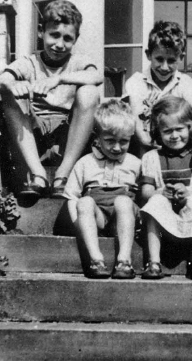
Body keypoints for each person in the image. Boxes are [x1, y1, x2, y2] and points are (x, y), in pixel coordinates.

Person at [0, 0, 103, 198]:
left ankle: (62, 175)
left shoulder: (79, 62)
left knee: (89, 92)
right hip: (32, 137)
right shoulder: (29, 63)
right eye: (54, 35)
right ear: (41, 32)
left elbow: (97, 77)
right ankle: (37, 174)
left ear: (76, 39)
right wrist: (11, 85)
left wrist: (59, 78)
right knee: (10, 92)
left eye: (67, 38)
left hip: (67, 139)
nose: (59, 44)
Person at [62, 99, 141, 279]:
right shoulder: (85, 163)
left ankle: (124, 260)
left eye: (124, 141)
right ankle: (96, 259)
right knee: (84, 201)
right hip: (98, 218)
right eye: (110, 141)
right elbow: (71, 196)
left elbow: (144, 197)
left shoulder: (135, 163)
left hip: (123, 218)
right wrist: (79, 222)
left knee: (123, 201)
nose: (117, 147)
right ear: (97, 138)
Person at [139, 96, 192, 280]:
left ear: (190, 127)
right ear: (158, 132)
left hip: (191, 217)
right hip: (164, 219)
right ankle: (154, 262)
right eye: (167, 131)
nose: (174, 136)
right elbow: (145, 191)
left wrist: (190, 193)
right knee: (155, 201)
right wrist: (160, 192)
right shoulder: (151, 157)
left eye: (179, 129)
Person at [124, 20, 192, 157]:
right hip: (146, 149)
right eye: (159, 59)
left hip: (178, 149)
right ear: (148, 54)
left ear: (181, 57)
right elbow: (138, 126)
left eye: (171, 61)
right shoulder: (136, 82)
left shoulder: (186, 84)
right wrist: (151, 144)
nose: (164, 67)